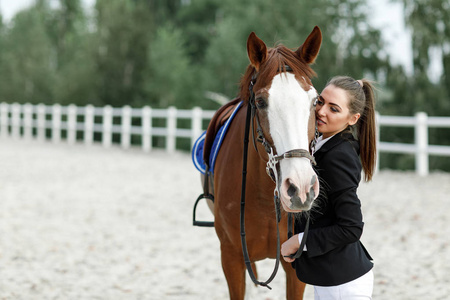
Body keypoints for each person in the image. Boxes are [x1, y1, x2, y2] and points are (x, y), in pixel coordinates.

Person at [281, 76, 377, 299]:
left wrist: (299, 242)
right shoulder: (321, 144)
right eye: (320, 102)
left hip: (344, 284)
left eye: (333, 109)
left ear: (352, 118)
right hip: (330, 279)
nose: (321, 111)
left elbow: (351, 227)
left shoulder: (338, 156)